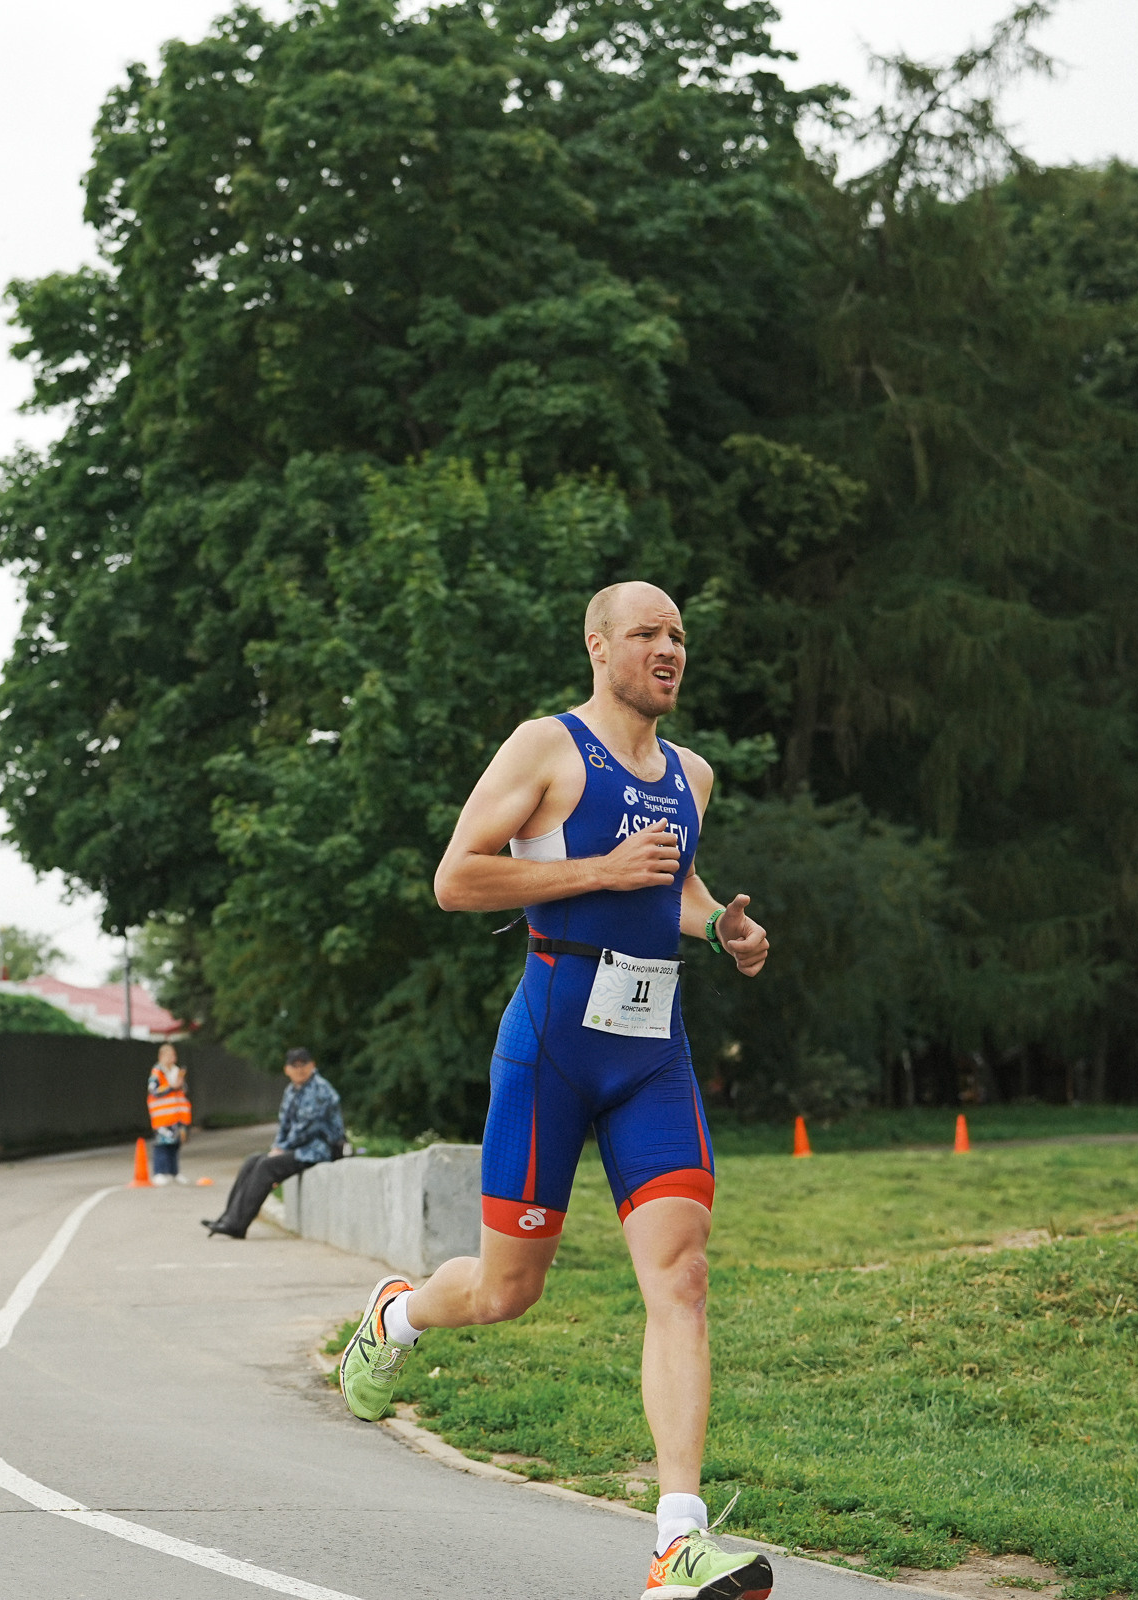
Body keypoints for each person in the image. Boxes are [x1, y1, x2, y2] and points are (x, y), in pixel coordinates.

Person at [331, 581, 772, 1600]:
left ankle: (676, 1538)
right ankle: (397, 1315)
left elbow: (678, 884)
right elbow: (457, 878)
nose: (670, 650)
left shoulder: (692, 775)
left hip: (652, 1048)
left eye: (680, 637)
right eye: (649, 635)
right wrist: (598, 871)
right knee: (505, 1290)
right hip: (554, 1044)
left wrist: (724, 928)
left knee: (683, 1277)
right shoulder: (546, 748)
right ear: (599, 645)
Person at [202, 1048, 342, 1238]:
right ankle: (227, 1218)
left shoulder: (319, 1089)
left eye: (304, 1065)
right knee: (252, 1161)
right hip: (300, 1148)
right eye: (295, 1066)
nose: (300, 1070)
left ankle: (237, 1225)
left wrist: (282, 1149)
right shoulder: (292, 1090)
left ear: (312, 1065)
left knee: (267, 1166)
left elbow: (307, 1128)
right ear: (287, 1069)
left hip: (318, 1149)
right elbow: (284, 1125)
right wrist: (276, 1147)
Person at [145, 1043, 192, 1185]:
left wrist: (180, 1084)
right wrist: (172, 1086)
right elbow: (154, 1091)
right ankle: (159, 1172)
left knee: (174, 1145)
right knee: (162, 1145)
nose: (173, 1058)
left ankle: (174, 1172)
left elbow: (183, 1090)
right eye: (170, 1055)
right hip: (162, 1117)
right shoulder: (157, 1073)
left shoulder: (176, 1071)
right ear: (161, 1056)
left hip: (176, 1116)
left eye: (174, 1055)